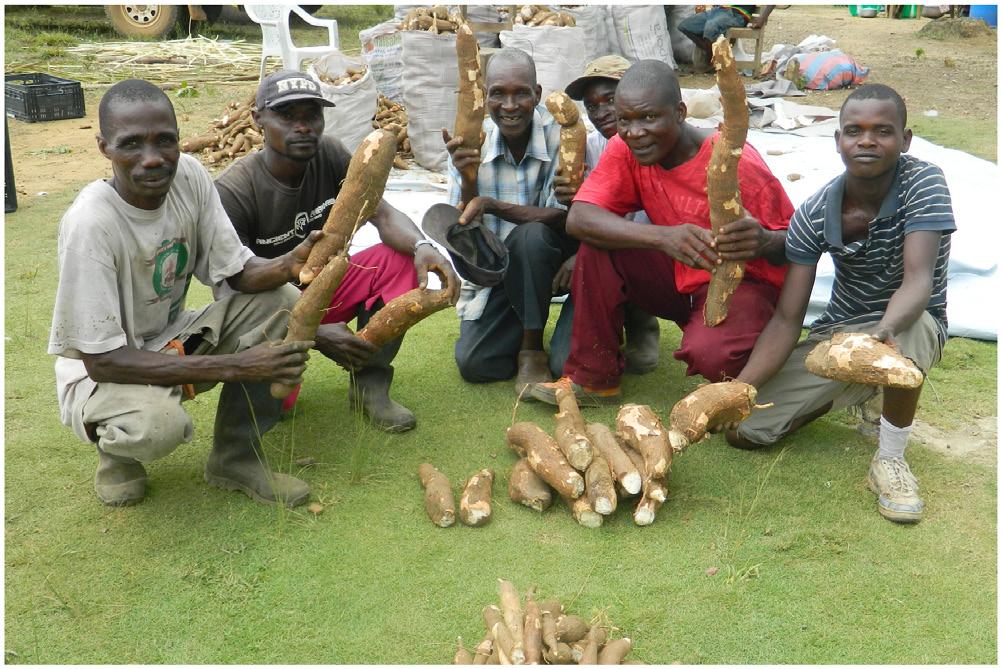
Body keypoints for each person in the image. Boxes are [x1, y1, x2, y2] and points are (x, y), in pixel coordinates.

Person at [48, 79, 318, 508]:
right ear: (104, 147)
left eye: (165, 141)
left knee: (282, 302)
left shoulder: (188, 175)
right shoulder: (91, 224)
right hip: (105, 374)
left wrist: (289, 263)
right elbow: (101, 362)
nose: (153, 158)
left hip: (175, 338)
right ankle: (116, 454)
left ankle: (236, 457)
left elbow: (239, 274)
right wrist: (236, 365)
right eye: (131, 144)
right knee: (156, 426)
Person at [726, 84, 955, 524]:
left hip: (908, 320)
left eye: (882, 131)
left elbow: (918, 281)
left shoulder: (924, 182)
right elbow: (788, 317)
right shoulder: (814, 214)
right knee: (746, 431)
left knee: (907, 333)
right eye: (854, 130)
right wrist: (739, 390)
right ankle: (862, 388)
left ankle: (890, 459)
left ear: (905, 141)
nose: (867, 140)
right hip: (840, 334)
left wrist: (879, 336)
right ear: (837, 141)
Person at [532, 60, 793, 406]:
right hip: (677, 276)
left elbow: (797, 246)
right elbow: (579, 218)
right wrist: (663, 237)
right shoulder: (626, 149)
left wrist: (762, 240)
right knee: (598, 244)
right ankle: (594, 381)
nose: (635, 132)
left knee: (713, 358)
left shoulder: (737, 162)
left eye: (649, 118)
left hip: (743, 285)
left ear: (680, 113)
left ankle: (764, 352)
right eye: (625, 120)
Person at [215, 70, 459, 433]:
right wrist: (313, 328)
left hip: (326, 285)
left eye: (311, 115)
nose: (303, 127)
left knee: (401, 257)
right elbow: (229, 291)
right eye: (287, 116)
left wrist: (424, 245)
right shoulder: (234, 190)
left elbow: (383, 212)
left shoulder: (329, 153)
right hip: (270, 307)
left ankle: (370, 383)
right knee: (275, 404)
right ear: (258, 120)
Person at [442, 48, 575, 396]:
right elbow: (460, 234)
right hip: (502, 270)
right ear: (485, 96)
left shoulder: (559, 135)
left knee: (530, 237)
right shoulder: (471, 143)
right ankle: (529, 322)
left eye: (521, 93)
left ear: (538, 95)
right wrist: (469, 179)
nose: (510, 105)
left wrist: (491, 204)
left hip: (555, 259)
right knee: (477, 364)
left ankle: (532, 348)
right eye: (498, 93)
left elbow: (559, 218)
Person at [558, 54, 662, 377]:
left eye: (610, 100)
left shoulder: (651, 142)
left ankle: (641, 324)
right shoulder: (588, 146)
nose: (600, 111)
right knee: (561, 361)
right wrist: (570, 200)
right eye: (591, 105)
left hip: (651, 251)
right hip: (601, 250)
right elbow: (582, 213)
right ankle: (602, 341)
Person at [678, 5, 774, 71]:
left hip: (736, 14)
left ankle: (709, 62)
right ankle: (713, 55)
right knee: (684, 25)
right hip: (717, 11)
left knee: (710, 27)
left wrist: (762, 19)